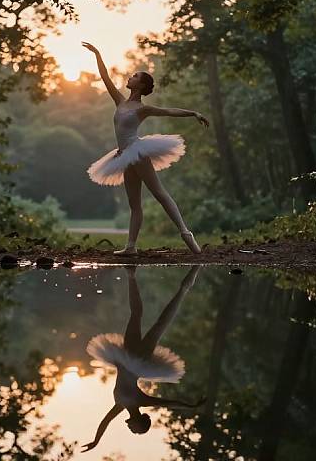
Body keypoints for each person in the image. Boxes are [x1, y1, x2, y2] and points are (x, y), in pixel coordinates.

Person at [82, 41, 209, 255]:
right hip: (123, 156)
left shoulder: (142, 109)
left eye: (134, 76)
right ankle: (130, 247)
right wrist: (97, 53)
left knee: (160, 194)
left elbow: (168, 111)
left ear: (140, 85)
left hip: (137, 152)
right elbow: (105, 77)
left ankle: (187, 234)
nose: (129, 78)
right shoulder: (120, 102)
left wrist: (193, 113)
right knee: (135, 204)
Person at [81, 265, 204, 453]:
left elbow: (105, 422)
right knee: (155, 322)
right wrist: (190, 406)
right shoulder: (140, 402)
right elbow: (169, 404)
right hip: (135, 361)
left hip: (130, 360)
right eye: (135, 430)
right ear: (138, 422)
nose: (131, 429)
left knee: (143, 318)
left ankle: (132, 274)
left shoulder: (120, 406)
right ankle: (139, 276)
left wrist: (96, 441)